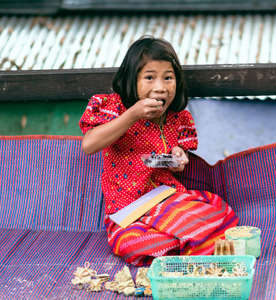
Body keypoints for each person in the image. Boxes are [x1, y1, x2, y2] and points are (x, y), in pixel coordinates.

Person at [79, 36, 238, 266]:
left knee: (221, 210)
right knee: (132, 242)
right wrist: (132, 114)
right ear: (132, 80)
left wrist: (178, 158)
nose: (160, 87)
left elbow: (173, 161)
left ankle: (185, 242)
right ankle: (191, 243)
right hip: (128, 209)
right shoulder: (115, 108)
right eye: (150, 77)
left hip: (167, 198)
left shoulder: (177, 119)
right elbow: (89, 145)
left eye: (168, 78)